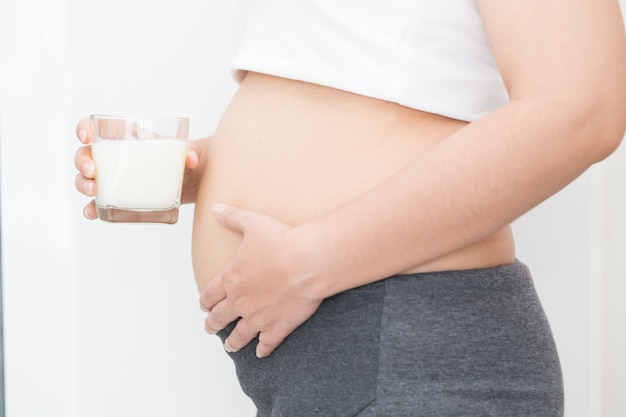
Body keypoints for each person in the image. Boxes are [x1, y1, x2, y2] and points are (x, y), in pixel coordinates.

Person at [75, 0, 626, 415]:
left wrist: (310, 260)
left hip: (412, 349)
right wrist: (211, 167)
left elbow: (583, 106)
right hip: (343, 359)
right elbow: (364, 80)